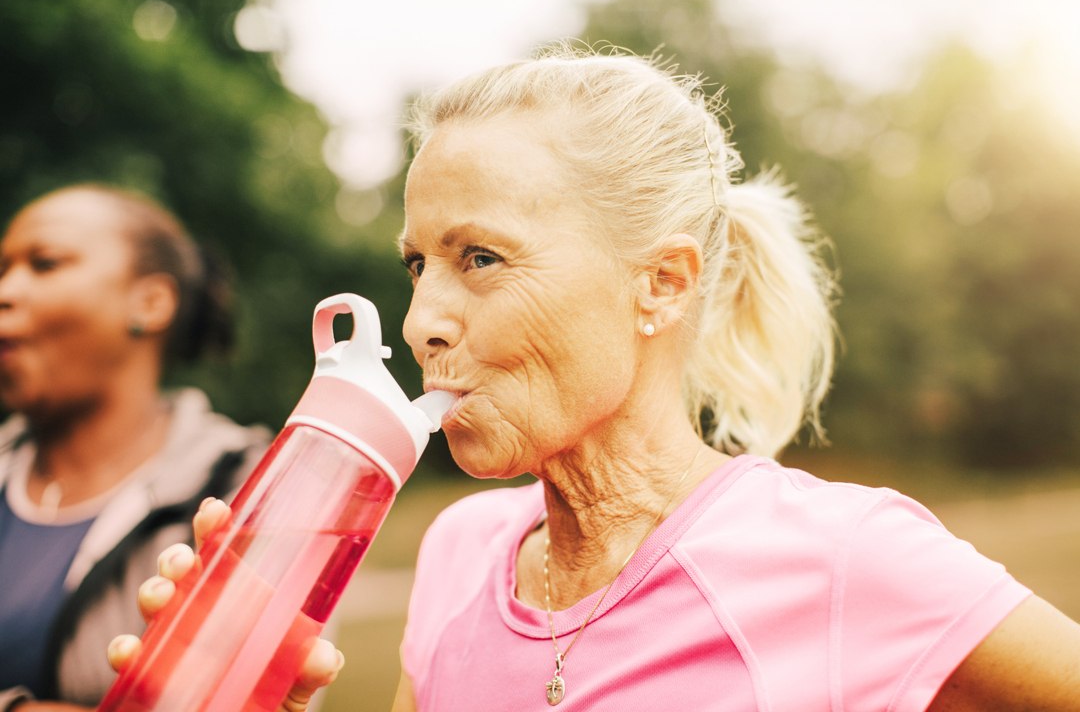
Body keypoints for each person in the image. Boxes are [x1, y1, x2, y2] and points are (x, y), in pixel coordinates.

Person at [125, 46, 1080, 710]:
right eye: (418, 264)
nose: (421, 324)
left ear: (660, 286)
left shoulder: (847, 561)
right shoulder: (457, 554)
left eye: (483, 259)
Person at [0, 184, 271, 711]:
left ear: (151, 303)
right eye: (3, 268)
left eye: (45, 263)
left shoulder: (245, 484)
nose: (5, 290)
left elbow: (256, 694)